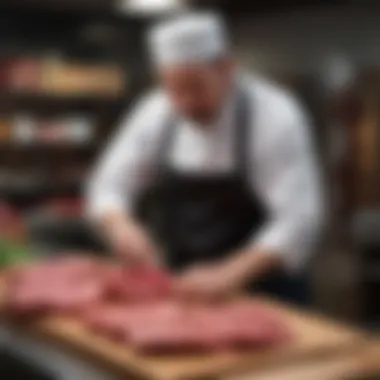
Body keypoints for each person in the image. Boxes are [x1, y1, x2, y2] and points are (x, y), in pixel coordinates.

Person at [86, 12, 324, 305]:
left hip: (266, 292)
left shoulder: (274, 115)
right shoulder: (155, 112)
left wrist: (230, 273)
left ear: (227, 69)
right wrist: (122, 227)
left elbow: (299, 218)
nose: (184, 103)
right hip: (185, 289)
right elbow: (108, 185)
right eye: (173, 89)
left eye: (196, 88)